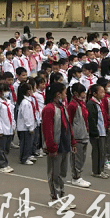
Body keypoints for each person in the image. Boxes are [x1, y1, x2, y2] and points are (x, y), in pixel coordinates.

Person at [42, 82, 76, 210]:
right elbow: (48, 130)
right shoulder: (49, 109)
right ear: (58, 94)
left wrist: (72, 141)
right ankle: (54, 198)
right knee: (54, 173)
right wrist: (51, 147)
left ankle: (62, 196)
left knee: (62, 173)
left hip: (65, 143)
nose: (65, 94)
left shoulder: (62, 107)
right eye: (64, 92)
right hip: (56, 145)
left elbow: (68, 124)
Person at [67, 83, 91, 188]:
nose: (84, 94)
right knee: (77, 158)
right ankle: (75, 177)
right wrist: (72, 136)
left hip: (84, 133)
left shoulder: (82, 103)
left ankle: (78, 175)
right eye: (83, 92)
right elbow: (69, 121)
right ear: (76, 93)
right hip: (77, 135)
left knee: (82, 157)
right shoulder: (72, 105)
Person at [86, 84, 108, 179]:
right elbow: (92, 119)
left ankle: (101, 169)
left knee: (102, 151)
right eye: (101, 92)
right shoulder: (91, 104)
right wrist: (94, 132)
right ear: (94, 93)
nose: (103, 94)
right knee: (97, 152)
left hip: (102, 130)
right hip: (97, 132)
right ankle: (96, 171)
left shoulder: (100, 102)